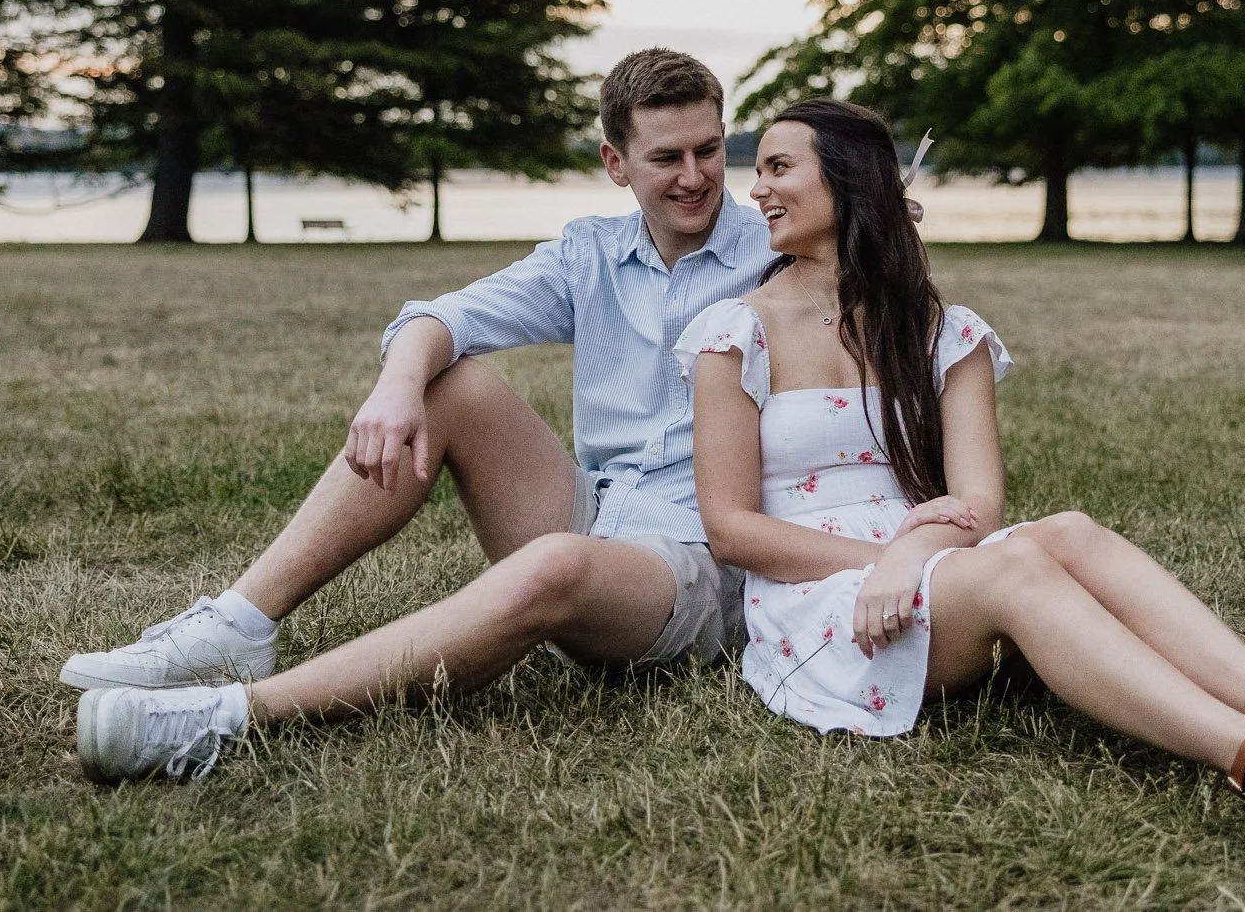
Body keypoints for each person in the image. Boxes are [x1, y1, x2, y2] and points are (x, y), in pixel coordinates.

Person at [679, 98, 1245, 821]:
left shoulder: (939, 328)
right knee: (1016, 567)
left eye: (779, 167)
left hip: (929, 561)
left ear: (849, 179)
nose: (758, 188)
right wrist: (885, 562)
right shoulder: (735, 333)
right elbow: (731, 528)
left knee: (1069, 530)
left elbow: (980, 503)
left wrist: (911, 552)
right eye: (760, 170)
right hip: (823, 599)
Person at [64, 49, 774, 782]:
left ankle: (228, 717)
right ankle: (239, 623)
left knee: (555, 562)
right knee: (447, 381)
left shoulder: (780, 251)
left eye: (708, 150)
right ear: (615, 163)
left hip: (696, 564)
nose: (695, 176)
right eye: (667, 158)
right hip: (594, 512)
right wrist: (397, 388)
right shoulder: (591, 251)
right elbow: (442, 316)